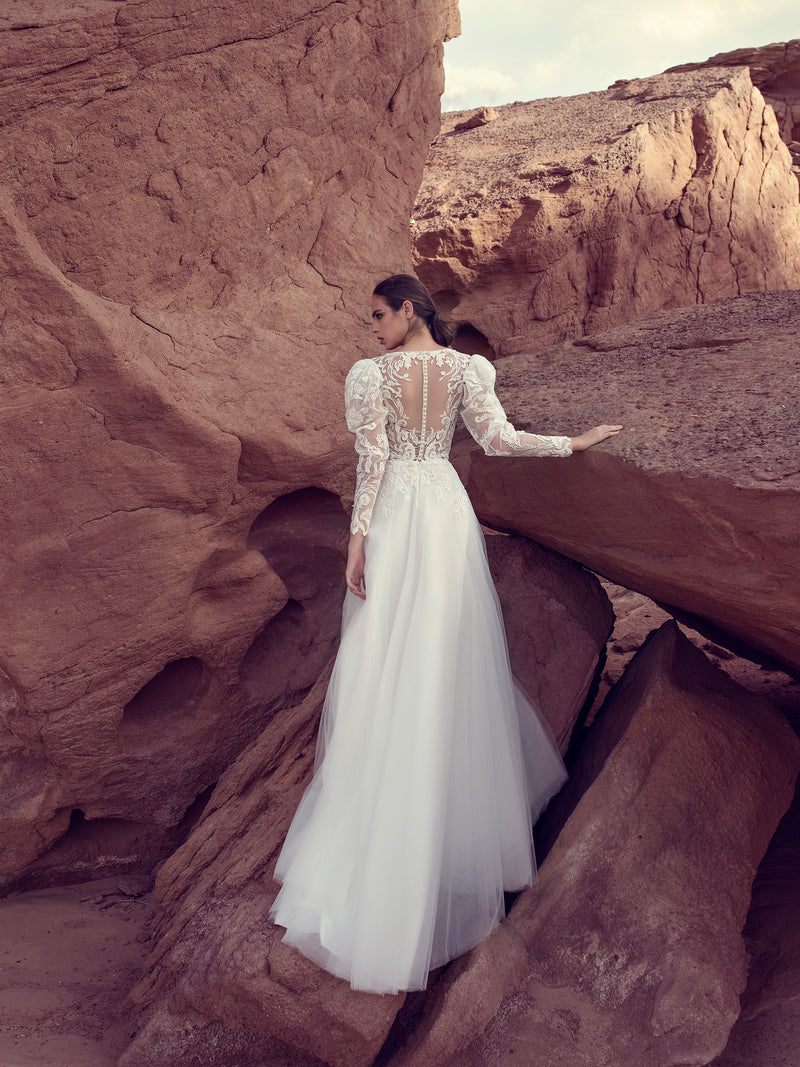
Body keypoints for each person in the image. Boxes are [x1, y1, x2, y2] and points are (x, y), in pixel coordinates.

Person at [270, 274, 622, 995]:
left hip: (402, 511)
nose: (370, 328)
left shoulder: (371, 378)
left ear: (408, 310)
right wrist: (569, 442)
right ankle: (431, 836)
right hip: (446, 515)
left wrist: (357, 540)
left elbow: (372, 463)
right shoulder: (467, 371)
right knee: (443, 663)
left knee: (384, 665)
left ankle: (385, 829)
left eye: (378, 314)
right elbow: (497, 438)